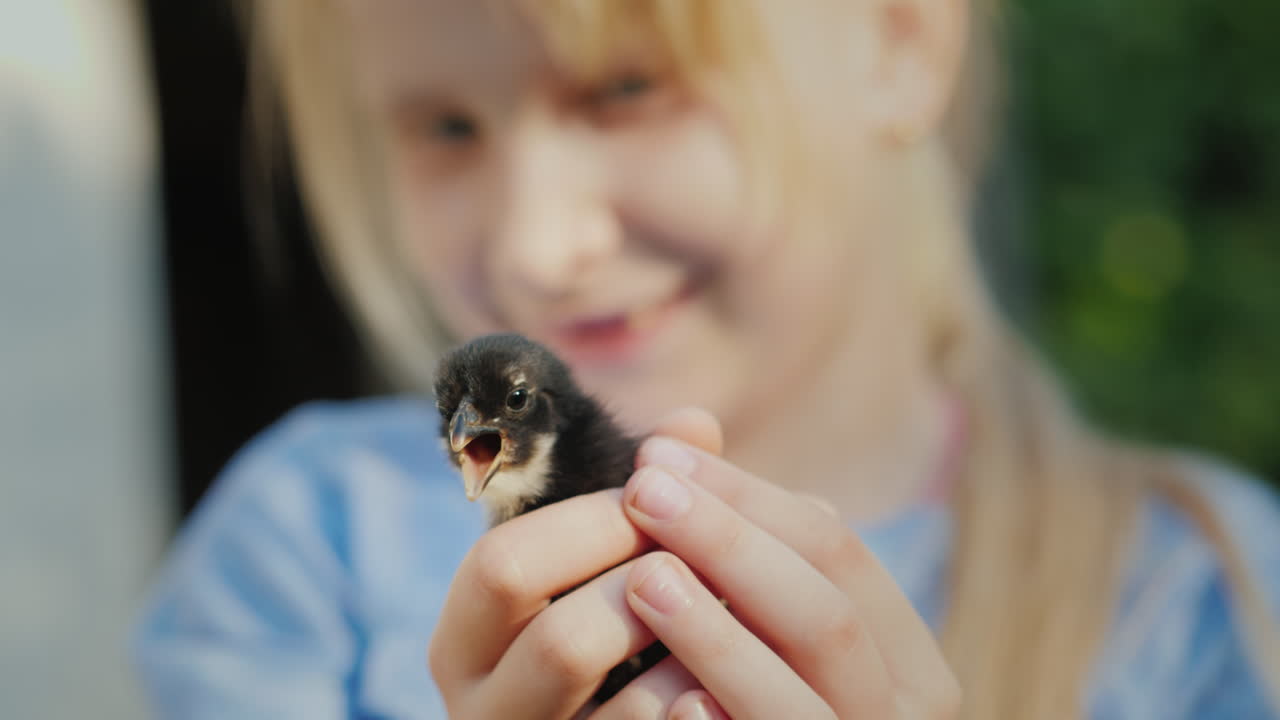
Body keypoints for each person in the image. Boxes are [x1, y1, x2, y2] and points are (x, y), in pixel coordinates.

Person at [131, 0, 1280, 717]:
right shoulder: (308, 548)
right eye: (445, 128)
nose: (537, 246)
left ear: (898, 37)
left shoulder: (1207, 600)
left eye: (627, 88)